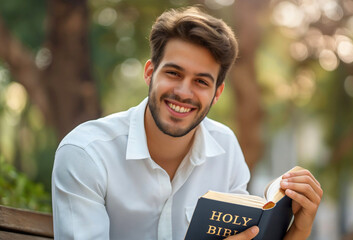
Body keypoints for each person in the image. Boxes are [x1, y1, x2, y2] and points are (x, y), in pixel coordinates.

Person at [51, 6, 322, 240]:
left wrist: (299, 229)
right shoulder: (86, 153)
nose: (183, 92)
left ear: (217, 93)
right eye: (173, 73)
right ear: (150, 73)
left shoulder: (226, 148)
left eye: (201, 82)